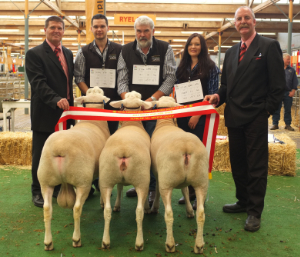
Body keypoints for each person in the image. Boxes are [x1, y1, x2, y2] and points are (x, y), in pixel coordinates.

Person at [204, 6, 285, 232]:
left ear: (254, 21)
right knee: (238, 162)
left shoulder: (268, 46)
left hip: (255, 116)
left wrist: (265, 111)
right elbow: (227, 85)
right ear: (235, 24)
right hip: (234, 116)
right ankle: (243, 200)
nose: (243, 22)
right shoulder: (230, 52)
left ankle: (254, 211)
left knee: (256, 165)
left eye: (246, 18)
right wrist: (218, 96)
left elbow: (278, 86)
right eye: (239, 19)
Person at [117, 15, 176, 206]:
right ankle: (139, 182)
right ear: (135, 32)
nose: (142, 34)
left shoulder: (165, 48)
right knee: (134, 147)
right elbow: (122, 79)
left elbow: (169, 78)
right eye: (139, 31)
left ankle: (152, 188)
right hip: (132, 109)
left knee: (151, 148)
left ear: (153, 31)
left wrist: (151, 101)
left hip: (154, 109)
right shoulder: (125, 50)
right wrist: (130, 100)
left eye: (146, 30)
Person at [25, 16, 74, 208]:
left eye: (59, 28)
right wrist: (56, 100)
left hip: (66, 114)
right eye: (52, 27)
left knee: (61, 152)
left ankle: (54, 187)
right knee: (41, 154)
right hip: (45, 113)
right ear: (44, 30)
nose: (56, 31)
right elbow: (38, 83)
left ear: (63, 31)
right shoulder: (34, 54)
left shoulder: (68, 53)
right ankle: (37, 191)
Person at [175, 33, 219, 209]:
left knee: (197, 155)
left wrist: (198, 114)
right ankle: (188, 193)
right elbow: (177, 91)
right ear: (187, 47)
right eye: (191, 44)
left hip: (200, 116)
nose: (193, 47)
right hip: (182, 115)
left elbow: (212, 94)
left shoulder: (211, 67)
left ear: (202, 47)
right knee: (185, 154)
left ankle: (200, 195)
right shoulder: (182, 67)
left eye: (197, 44)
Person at [74, 14, 122, 135]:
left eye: (102, 26)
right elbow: (79, 77)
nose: (99, 29)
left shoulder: (120, 50)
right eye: (95, 26)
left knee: (111, 136)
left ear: (108, 28)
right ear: (91, 29)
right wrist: (91, 96)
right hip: (92, 106)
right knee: (91, 136)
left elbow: (123, 77)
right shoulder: (83, 52)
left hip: (113, 104)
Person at [270, 53, 298, 131]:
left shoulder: (291, 70)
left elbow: (295, 82)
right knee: (276, 108)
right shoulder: (276, 69)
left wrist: (293, 91)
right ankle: (275, 124)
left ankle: (288, 124)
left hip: (288, 93)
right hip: (278, 93)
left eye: (289, 59)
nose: (289, 61)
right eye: (287, 59)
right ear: (283, 59)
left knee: (288, 109)